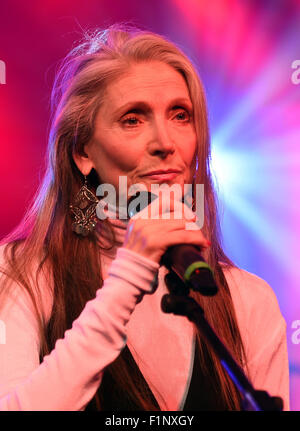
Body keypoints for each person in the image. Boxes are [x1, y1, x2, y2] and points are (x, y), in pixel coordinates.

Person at [0, 24, 289, 411]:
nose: (165, 144)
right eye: (133, 119)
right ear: (83, 153)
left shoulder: (248, 299)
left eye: (180, 115)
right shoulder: (21, 277)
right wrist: (129, 273)